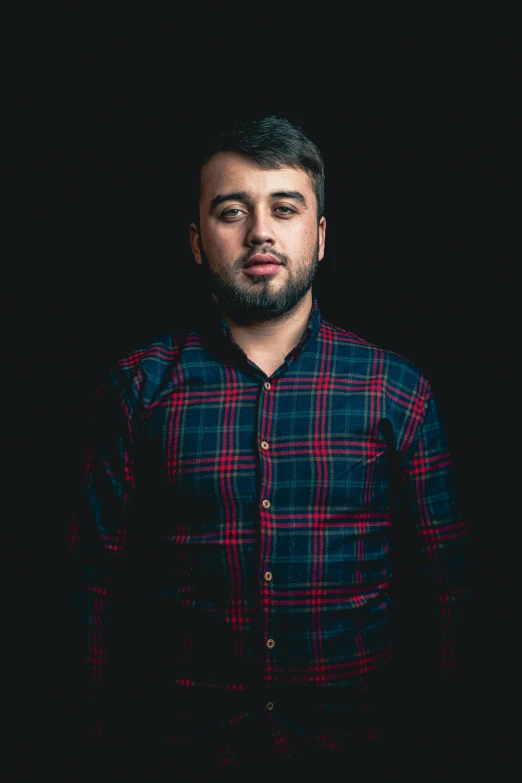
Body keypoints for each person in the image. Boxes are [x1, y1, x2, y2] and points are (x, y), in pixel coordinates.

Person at [68, 115, 471, 776]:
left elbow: (451, 596)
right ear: (197, 242)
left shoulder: (397, 392)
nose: (260, 230)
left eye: (284, 208)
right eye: (232, 211)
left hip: (360, 754)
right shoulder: (134, 389)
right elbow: (90, 590)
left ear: (319, 235)